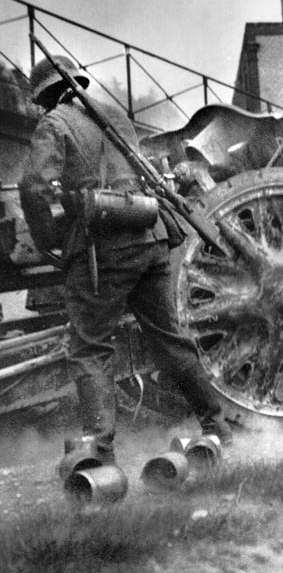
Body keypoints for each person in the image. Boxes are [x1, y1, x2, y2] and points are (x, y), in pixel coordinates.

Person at [19, 56, 233, 474]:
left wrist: (51, 243)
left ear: (44, 96)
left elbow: (32, 187)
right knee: (170, 340)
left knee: (89, 349)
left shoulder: (55, 124)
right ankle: (220, 428)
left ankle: (99, 454)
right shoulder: (114, 114)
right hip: (150, 238)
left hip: (104, 251)